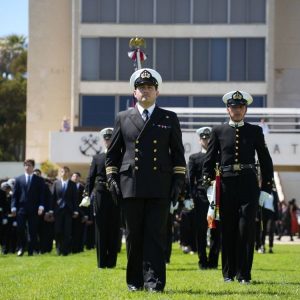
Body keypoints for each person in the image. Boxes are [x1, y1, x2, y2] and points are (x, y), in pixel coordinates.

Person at [105, 68, 186, 292]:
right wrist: (112, 178)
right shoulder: (123, 117)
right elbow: (112, 154)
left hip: (160, 185)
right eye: (141, 88)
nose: (146, 91)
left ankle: (155, 283)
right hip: (131, 185)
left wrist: (178, 181)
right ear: (134, 92)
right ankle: (134, 281)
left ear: (157, 92)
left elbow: (178, 154)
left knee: (156, 236)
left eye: (150, 88)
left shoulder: (169, 118)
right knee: (133, 236)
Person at [202, 90, 274, 284]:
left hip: (248, 185)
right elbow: (208, 161)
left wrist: (266, 189)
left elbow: (266, 161)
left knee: (246, 229)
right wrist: (209, 186)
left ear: (246, 109)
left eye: (241, 107)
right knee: (228, 230)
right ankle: (228, 274)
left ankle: (244, 275)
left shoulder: (255, 131)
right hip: (226, 185)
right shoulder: (218, 131)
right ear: (228, 109)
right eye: (234, 107)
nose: (237, 110)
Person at [85, 128, 121, 268]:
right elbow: (90, 178)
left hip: (115, 194)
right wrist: (87, 195)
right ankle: (101, 262)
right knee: (100, 228)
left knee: (114, 227)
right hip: (100, 194)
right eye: (106, 139)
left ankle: (111, 262)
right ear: (103, 140)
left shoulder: (120, 155)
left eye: (110, 138)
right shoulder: (97, 158)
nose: (108, 141)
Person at [188, 127, 221, 270]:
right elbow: (190, 179)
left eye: (208, 138)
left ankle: (213, 262)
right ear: (199, 139)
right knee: (201, 230)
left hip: (216, 196)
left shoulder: (218, 156)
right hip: (201, 197)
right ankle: (202, 261)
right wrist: (190, 197)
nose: (206, 140)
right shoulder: (194, 158)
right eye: (204, 138)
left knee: (216, 229)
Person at [11, 159, 45, 256]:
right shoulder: (18, 179)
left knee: (32, 230)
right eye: (25, 165)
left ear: (33, 167)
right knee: (20, 229)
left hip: (34, 209)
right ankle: (21, 248)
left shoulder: (39, 180)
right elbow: (15, 195)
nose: (27, 167)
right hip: (21, 208)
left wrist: (41, 206)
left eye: (29, 165)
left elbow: (41, 195)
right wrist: (13, 207)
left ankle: (31, 250)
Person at [51, 166, 79, 256]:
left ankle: (65, 251)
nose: (64, 173)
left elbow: (75, 199)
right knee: (58, 231)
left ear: (69, 173)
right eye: (63, 171)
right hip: (58, 210)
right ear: (60, 173)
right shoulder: (56, 183)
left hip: (68, 211)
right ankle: (59, 249)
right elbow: (53, 197)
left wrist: (76, 210)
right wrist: (51, 210)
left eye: (66, 171)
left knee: (67, 231)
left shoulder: (72, 184)